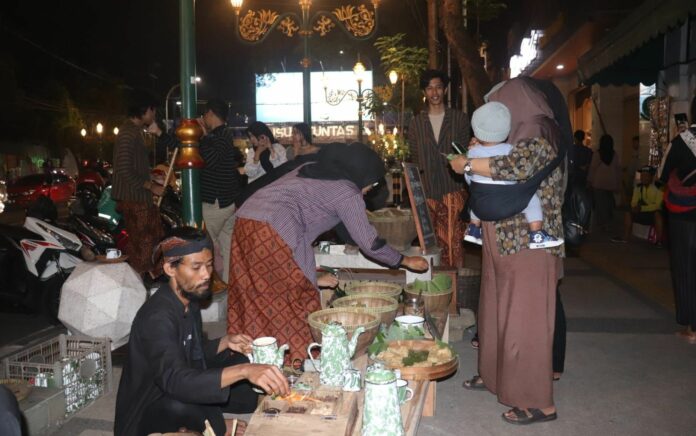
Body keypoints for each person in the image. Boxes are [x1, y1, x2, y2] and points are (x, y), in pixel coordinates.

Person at [228, 143, 429, 363]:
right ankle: (298, 361)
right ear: (361, 172)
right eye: (372, 182)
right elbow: (367, 240)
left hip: (245, 221)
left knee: (256, 295)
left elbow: (311, 240)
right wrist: (404, 260)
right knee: (298, 300)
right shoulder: (346, 191)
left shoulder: (312, 169)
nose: (371, 188)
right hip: (274, 229)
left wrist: (313, 276)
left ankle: (252, 356)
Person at [451, 78, 564, 425]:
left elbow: (517, 167)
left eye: (500, 102)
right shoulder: (511, 136)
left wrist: (468, 163)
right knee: (495, 311)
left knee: (524, 320)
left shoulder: (540, 132)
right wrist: (479, 148)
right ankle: (496, 376)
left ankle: (538, 402)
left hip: (527, 244)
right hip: (499, 238)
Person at [115, 228, 289, 436]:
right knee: (182, 401)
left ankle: (208, 421)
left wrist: (225, 342)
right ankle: (212, 427)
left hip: (177, 384)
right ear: (170, 268)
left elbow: (190, 354)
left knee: (244, 367)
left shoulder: (189, 298)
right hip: (148, 411)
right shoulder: (157, 318)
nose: (206, 275)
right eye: (196, 267)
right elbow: (176, 381)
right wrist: (243, 372)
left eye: (208, 265)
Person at [464, 101, 563, 249]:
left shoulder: (472, 153)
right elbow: (516, 173)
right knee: (532, 199)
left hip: (480, 208)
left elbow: (469, 179)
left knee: (477, 195)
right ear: (506, 130)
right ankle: (537, 233)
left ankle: (473, 228)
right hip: (505, 204)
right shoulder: (511, 151)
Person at [408, 69, 470, 267]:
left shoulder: (459, 119)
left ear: (444, 90)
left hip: (452, 189)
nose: (434, 92)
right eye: (429, 88)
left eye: (438, 87)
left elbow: (464, 153)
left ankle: (454, 292)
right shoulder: (416, 123)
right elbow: (415, 160)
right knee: (428, 245)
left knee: (452, 244)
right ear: (424, 92)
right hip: (426, 194)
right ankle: (432, 290)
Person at [112, 95, 167, 275]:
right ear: (145, 110)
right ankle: (141, 285)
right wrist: (150, 186)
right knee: (143, 246)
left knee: (153, 240)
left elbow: (132, 167)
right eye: (153, 110)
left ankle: (151, 279)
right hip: (134, 199)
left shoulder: (133, 131)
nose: (154, 114)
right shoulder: (128, 133)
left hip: (138, 197)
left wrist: (151, 177)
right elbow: (123, 169)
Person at [658, 96, 696, 344]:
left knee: (686, 267)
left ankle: (692, 326)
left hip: (686, 215)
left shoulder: (681, 141)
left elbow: (661, 175)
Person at [197, 99, 245, 283]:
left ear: (210, 114)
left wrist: (202, 136)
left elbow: (210, 159)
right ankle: (227, 291)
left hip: (216, 202)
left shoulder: (221, 135)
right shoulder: (223, 134)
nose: (203, 119)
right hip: (227, 201)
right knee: (227, 249)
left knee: (203, 246)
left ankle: (210, 288)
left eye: (204, 115)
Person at [235, 122, 320, 208]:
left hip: (276, 191)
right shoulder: (252, 152)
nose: (251, 139)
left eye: (253, 136)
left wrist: (271, 149)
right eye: (250, 137)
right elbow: (250, 173)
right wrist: (257, 154)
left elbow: (281, 170)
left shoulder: (278, 148)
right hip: (256, 192)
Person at [611, 166, 664, 244]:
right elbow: (634, 202)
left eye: (646, 176)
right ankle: (625, 237)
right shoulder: (638, 187)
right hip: (641, 211)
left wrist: (641, 208)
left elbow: (657, 206)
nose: (643, 178)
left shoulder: (659, 187)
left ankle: (659, 241)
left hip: (652, 213)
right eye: (642, 175)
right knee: (628, 211)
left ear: (652, 177)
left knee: (658, 214)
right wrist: (634, 207)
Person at [588, 134, 622, 232]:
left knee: (599, 204)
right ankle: (608, 222)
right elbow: (618, 170)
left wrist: (589, 180)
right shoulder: (614, 154)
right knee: (608, 203)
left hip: (598, 183)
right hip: (611, 183)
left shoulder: (598, 154)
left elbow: (593, 169)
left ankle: (601, 223)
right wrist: (618, 183)